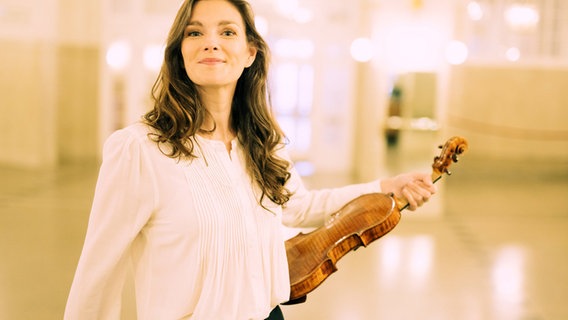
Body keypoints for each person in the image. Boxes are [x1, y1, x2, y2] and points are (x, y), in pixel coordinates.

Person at [64, 0, 437, 319]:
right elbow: (99, 272)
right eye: (195, 33)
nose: (211, 42)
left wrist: (384, 187)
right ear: (180, 52)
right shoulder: (139, 149)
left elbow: (299, 206)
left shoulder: (262, 142)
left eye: (227, 32)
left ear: (249, 53)